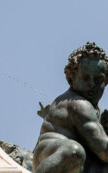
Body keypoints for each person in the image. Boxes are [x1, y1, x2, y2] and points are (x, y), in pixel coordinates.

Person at [33, 42, 108, 173]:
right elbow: (103, 149)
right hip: (51, 155)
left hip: (81, 163)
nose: (91, 84)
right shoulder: (77, 104)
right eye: (85, 78)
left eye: (98, 79)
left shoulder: (97, 110)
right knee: (74, 152)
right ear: (72, 78)